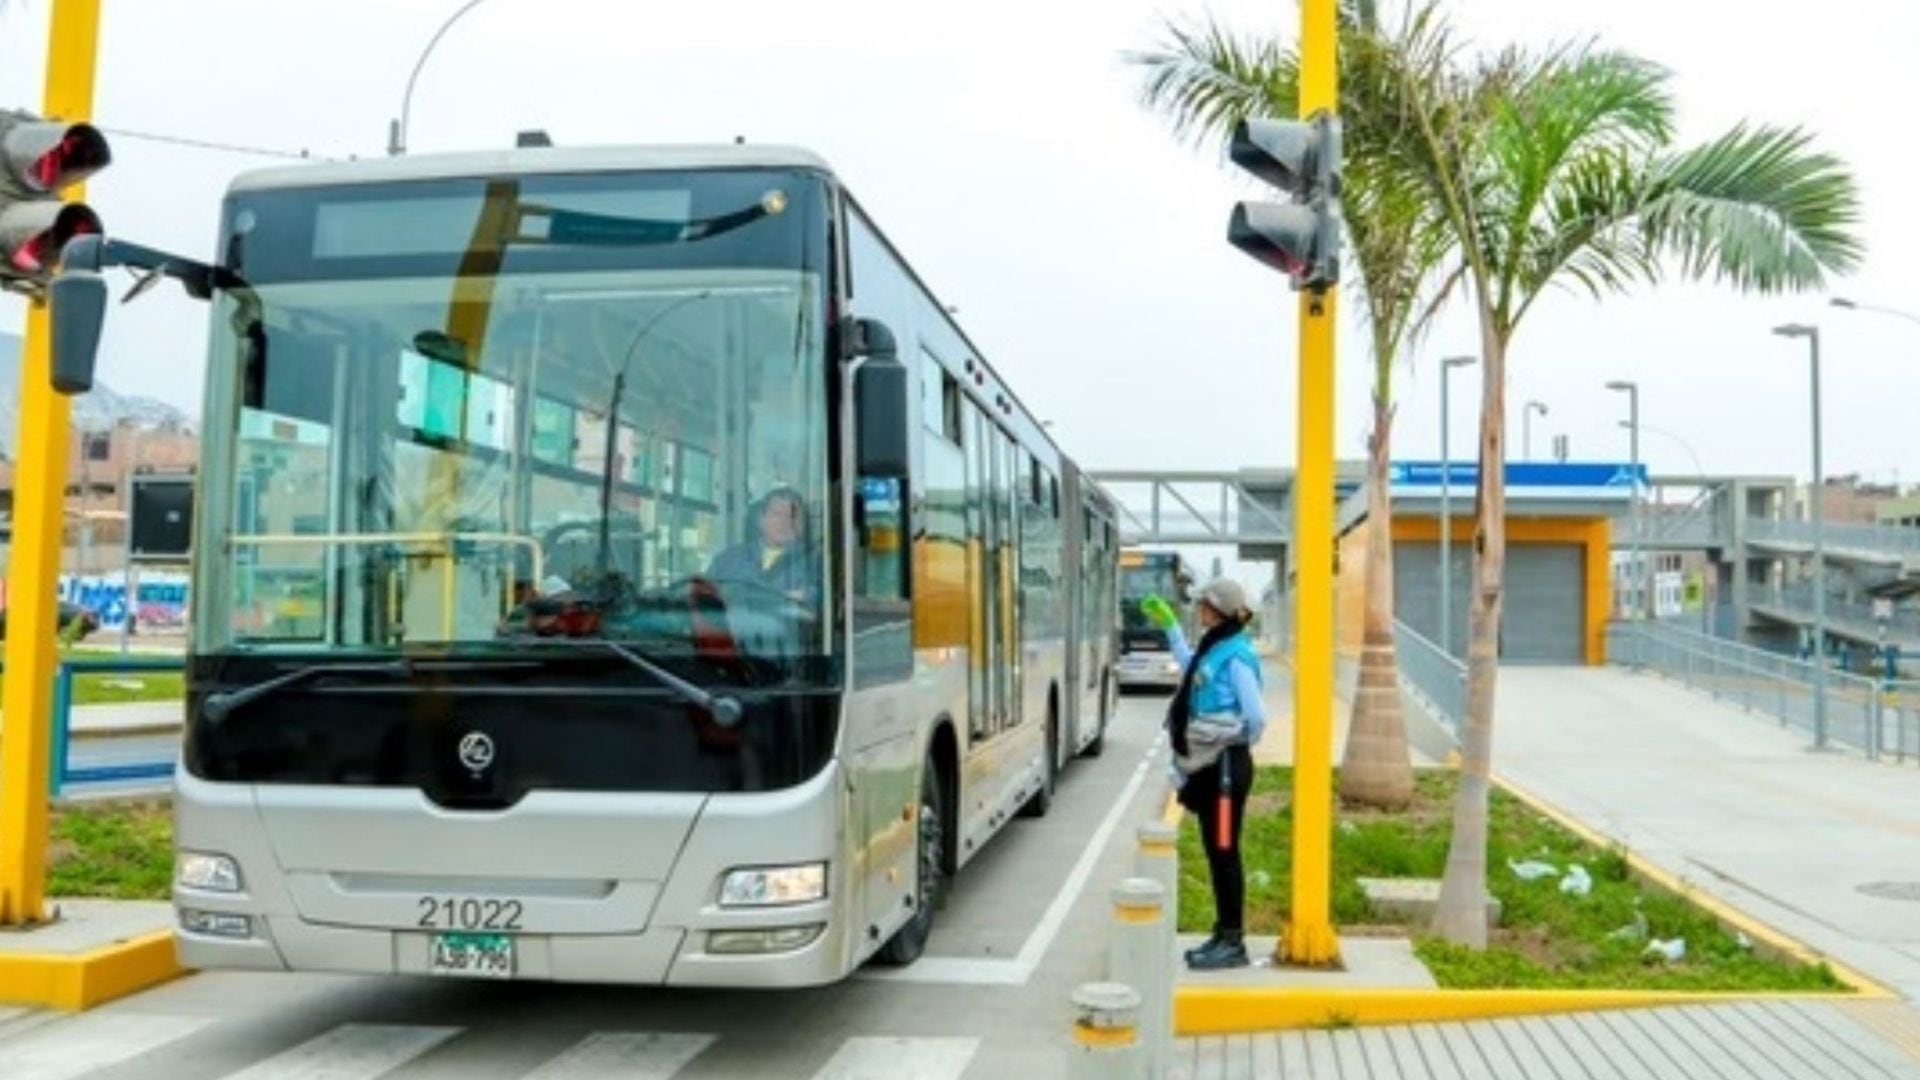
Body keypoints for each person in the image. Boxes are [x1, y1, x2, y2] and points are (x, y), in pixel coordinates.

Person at [1142, 578, 1267, 970]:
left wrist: (1226, 738)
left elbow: (1257, 717)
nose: (1198, 610)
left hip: (1226, 769)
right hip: (1214, 767)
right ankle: (1223, 931)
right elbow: (1188, 662)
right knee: (1216, 851)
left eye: (1203, 606)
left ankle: (1233, 942)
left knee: (1225, 852)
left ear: (1217, 610)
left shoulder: (1237, 656)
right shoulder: (1214, 647)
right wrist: (1169, 626)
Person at [705, 487, 819, 605]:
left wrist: (806, 597)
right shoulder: (729, 559)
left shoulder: (818, 562)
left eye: (793, 516)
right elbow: (700, 598)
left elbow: (829, 604)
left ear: (802, 524)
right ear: (761, 520)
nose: (785, 521)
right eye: (777, 514)